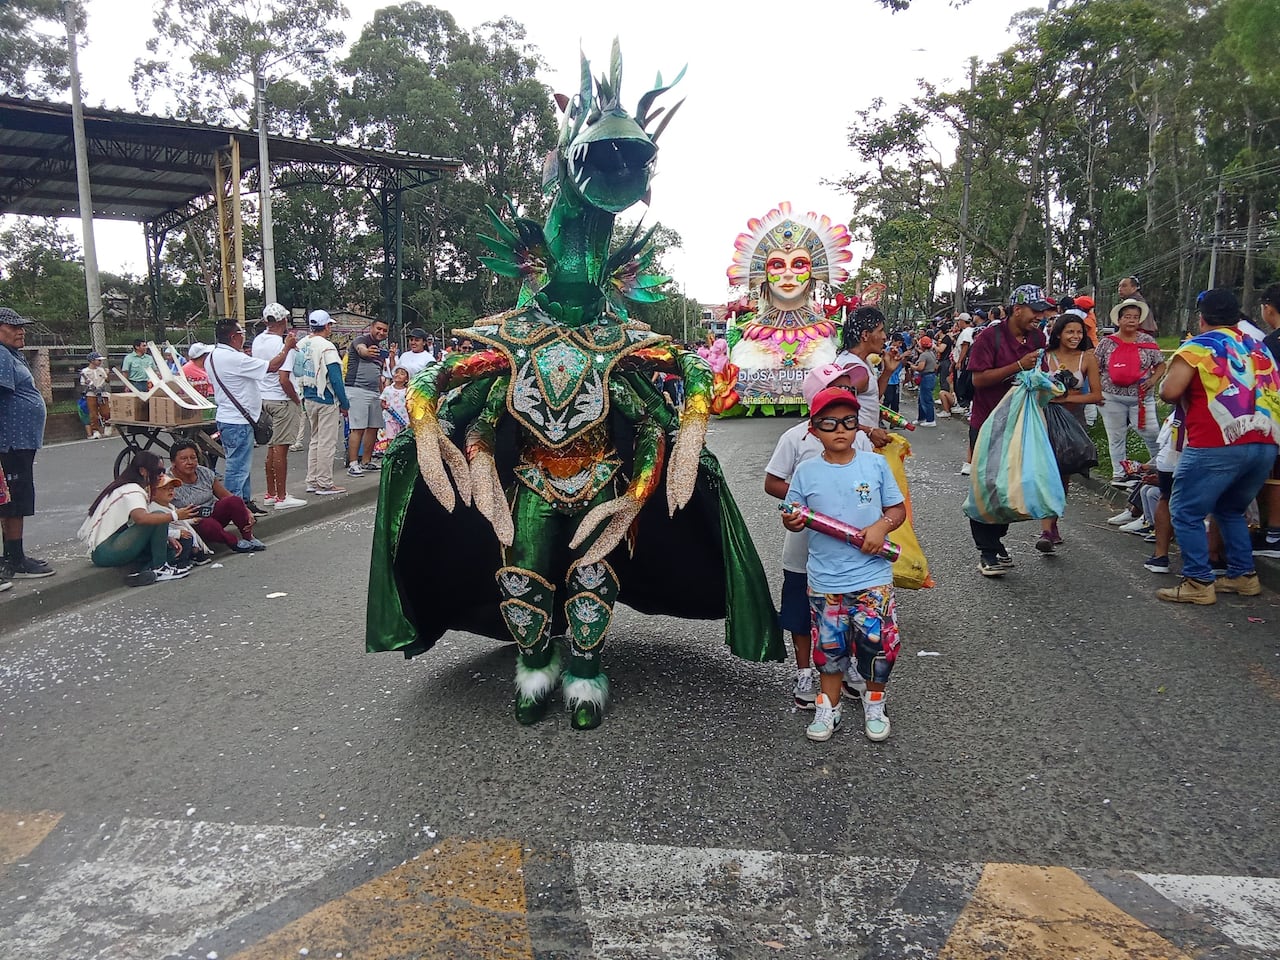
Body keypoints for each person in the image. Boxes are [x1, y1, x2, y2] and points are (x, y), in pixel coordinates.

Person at [781, 386, 907, 743]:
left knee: (877, 644)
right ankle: (828, 707)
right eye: (830, 423)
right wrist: (791, 520)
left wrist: (880, 527)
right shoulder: (806, 472)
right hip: (825, 579)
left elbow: (896, 509)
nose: (840, 429)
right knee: (829, 648)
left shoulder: (875, 464)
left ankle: (875, 701)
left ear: (857, 426)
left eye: (848, 422)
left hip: (872, 575)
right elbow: (792, 513)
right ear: (814, 429)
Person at [1153, 288, 1279, 603]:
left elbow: (1170, 391)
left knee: (1184, 509)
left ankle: (1198, 580)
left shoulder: (1199, 346)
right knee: (1230, 508)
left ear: (1202, 316)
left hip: (1217, 440)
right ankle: (1243, 575)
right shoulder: (1258, 347)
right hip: (1265, 441)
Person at [765, 365, 875, 712]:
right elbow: (773, 482)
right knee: (801, 612)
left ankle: (848, 667)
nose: (846, 396)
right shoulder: (795, 438)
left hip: (847, 548)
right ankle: (804, 674)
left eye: (850, 390)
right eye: (835, 388)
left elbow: (871, 484)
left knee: (848, 608)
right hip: (803, 549)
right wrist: (807, 503)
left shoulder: (859, 438)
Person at [965, 284, 1050, 576]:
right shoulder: (989, 337)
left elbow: (1039, 371)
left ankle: (997, 541)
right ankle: (986, 550)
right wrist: (1016, 365)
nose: (1040, 316)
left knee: (1010, 486)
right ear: (1017, 309)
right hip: (988, 423)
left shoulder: (1038, 337)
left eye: (1042, 311)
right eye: (1035, 311)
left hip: (1020, 424)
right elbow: (978, 380)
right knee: (986, 487)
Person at [1035, 313, 1102, 552]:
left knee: (1062, 476)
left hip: (1072, 423)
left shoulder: (1087, 358)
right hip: (1043, 420)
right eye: (1070, 332)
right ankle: (1046, 529)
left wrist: (1065, 398)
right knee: (1046, 474)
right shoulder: (1044, 356)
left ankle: (1052, 523)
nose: (1075, 336)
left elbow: (1096, 395)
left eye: (1079, 332)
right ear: (1059, 333)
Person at [78, 451, 192, 585]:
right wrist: (175, 515)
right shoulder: (133, 489)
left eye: (163, 470)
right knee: (159, 516)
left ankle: (143, 573)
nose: (162, 475)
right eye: (158, 471)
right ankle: (160, 568)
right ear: (143, 471)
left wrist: (165, 537)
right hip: (107, 550)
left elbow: (134, 524)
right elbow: (141, 519)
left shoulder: (125, 486)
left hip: (107, 548)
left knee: (170, 551)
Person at [0, 307, 54, 582]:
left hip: (21, 441)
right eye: (14, 326)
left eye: (22, 326)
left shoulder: (11, 354)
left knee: (16, 498)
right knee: (14, 499)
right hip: (10, 441)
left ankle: (13, 554)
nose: (21, 330)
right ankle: (14, 558)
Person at [1094, 298, 1165, 486]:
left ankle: (1159, 468)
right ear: (1119, 319)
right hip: (1111, 397)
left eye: (1135, 317)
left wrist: (1152, 380)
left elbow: (1160, 364)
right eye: (1127, 317)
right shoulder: (1107, 343)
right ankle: (1119, 473)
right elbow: (1095, 367)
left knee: (1151, 433)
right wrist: (1096, 392)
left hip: (1141, 398)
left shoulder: (1147, 341)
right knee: (1115, 435)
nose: (1132, 320)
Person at [206, 319, 267, 514]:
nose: (244, 337)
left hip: (230, 418)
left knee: (242, 464)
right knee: (237, 467)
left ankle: (244, 502)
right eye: (241, 333)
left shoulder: (213, 356)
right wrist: (287, 349)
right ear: (233, 337)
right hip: (237, 421)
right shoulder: (234, 359)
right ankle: (233, 508)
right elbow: (271, 367)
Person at [251, 303, 305, 510]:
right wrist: (296, 400)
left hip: (263, 398)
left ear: (266, 321)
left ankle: (271, 493)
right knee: (280, 450)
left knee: (272, 449)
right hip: (281, 399)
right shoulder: (285, 346)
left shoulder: (257, 342)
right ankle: (282, 496)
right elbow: (284, 379)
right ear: (284, 321)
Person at [168, 440, 265, 553]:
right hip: (190, 523)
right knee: (207, 524)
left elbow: (225, 495)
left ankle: (249, 537)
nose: (190, 462)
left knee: (234, 501)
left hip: (212, 513)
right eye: (184, 459)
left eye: (193, 458)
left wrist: (247, 511)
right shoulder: (167, 481)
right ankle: (233, 542)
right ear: (173, 462)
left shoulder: (204, 472)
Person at [295, 310, 350, 495]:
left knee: (315, 441)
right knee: (327, 442)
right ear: (327, 326)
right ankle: (325, 483)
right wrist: (344, 403)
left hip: (308, 396)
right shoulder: (327, 347)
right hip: (326, 398)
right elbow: (335, 377)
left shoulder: (302, 343)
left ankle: (312, 480)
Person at [835, 306, 900, 448]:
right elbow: (834, 414)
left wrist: (887, 372)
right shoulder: (855, 370)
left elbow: (870, 398)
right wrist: (869, 431)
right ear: (865, 335)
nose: (884, 337)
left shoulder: (862, 362)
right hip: (854, 448)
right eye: (880, 331)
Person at [344, 318, 390, 477]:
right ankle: (353, 463)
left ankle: (366, 461)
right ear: (372, 327)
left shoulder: (380, 349)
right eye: (379, 328)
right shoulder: (361, 340)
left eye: (384, 330)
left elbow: (379, 374)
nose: (381, 332)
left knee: (373, 427)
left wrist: (382, 393)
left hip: (374, 392)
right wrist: (366, 352)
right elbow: (361, 349)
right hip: (357, 389)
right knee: (357, 427)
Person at [1254, 283, 1280, 560]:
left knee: (1274, 479)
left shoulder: (1271, 344)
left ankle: (1274, 533)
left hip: (1275, 415)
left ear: (1268, 308)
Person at [79, 351, 110, 439]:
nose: (100, 362)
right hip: (91, 393)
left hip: (102, 392)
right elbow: (83, 383)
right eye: (98, 360)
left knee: (106, 411)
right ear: (92, 361)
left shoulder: (101, 370)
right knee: (93, 413)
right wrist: (89, 386)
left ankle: (108, 426)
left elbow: (107, 380)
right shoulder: (85, 371)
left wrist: (107, 374)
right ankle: (95, 431)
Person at [911, 335, 938, 426]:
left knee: (926, 399)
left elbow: (920, 368)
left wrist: (913, 367)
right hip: (931, 376)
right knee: (922, 398)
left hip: (926, 377)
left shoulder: (924, 355)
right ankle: (922, 418)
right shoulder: (931, 353)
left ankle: (930, 420)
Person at [380, 366, 410, 443]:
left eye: (402, 374)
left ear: (406, 379)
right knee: (390, 439)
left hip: (404, 419)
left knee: (402, 438)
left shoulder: (407, 391)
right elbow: (383, 402)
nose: (398, 375)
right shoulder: (388, 389)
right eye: (397, 372)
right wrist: (385, 406)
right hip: (390, 418)